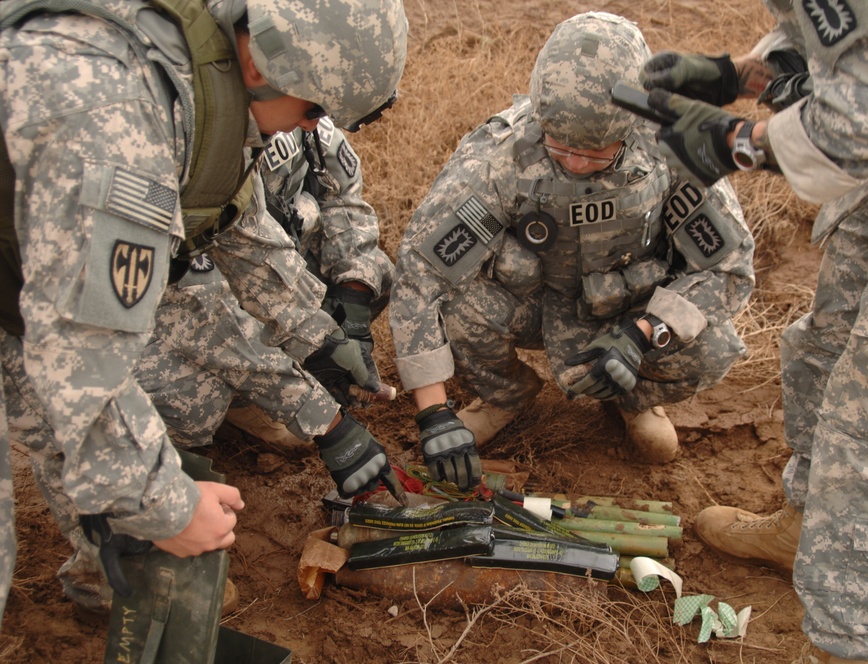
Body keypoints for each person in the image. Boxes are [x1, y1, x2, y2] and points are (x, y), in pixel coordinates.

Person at [0, 0, 407, 628]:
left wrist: (318, 338)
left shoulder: (197, 74)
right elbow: (82, 357)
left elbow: (233, 222)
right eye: (313, 110)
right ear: (259, 56)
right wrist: (168, 508)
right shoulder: (118, 123)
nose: (306, 132)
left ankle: (113, 563)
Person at [637, 2, 868, 662]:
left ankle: (843, 643)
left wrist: (738, 144)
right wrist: (745, 74)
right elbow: (862, 34)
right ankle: (803, 526)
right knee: (827, 343)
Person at [389, 11, 755, 491]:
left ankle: (633, 399)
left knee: (708, 344)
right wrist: (434, 413)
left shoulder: (677, 148)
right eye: (561, 147)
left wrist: (643, 335)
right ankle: (504, 395)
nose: (579, 163)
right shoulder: (500, 157)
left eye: (600, 151)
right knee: (461, 306)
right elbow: (420, 276)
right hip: (534, 305)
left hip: (627, 310)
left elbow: (729, 270)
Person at [226, 114, 396, 442]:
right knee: (191, 400)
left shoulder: (306, 116)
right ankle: (245, 398)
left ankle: (310, 363)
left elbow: (342, 200)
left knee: (375, 271)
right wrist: (324, 423)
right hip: (230, 282)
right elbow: (229, 273)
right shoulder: (222, 146)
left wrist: (353, 305)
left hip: (287, 257)